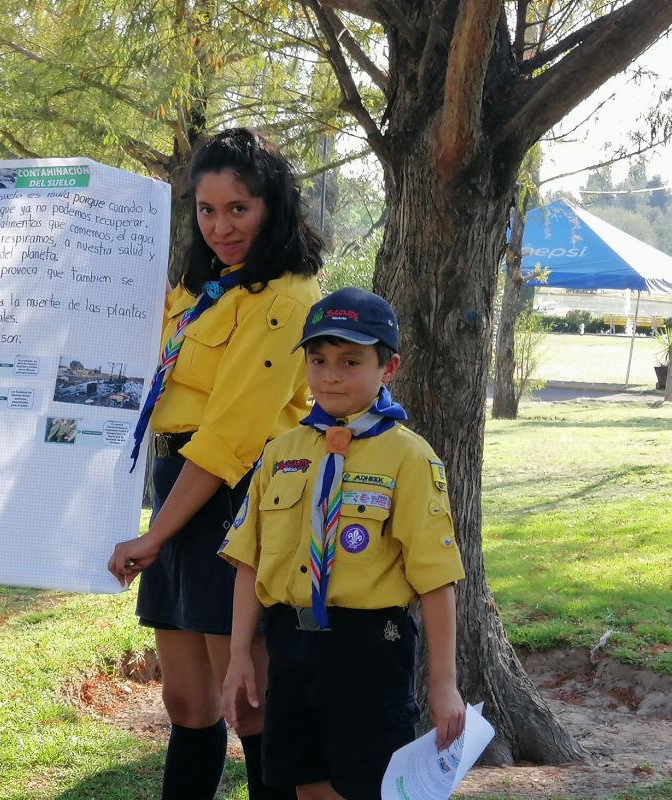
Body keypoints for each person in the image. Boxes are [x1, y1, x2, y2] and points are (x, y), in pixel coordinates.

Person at [108, 128, 323, 800]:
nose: (220, 226)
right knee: (186, 703)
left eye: (239, 208)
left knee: (247, 700)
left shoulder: (286, 297)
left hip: (236, 499)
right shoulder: (201, 288)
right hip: (176, 488)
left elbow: (230, 437)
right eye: (206, 210)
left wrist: (154, 534)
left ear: (273, 208)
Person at [219, 287, 467, 800]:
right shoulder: (281, 452)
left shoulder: (409, 458)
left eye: (350, 361)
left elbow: (437, 579)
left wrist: (443, 684)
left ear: (389, 367)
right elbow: (248, 560)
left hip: (368, 651)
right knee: (306, 784)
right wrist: (240, 654)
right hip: (291, 645)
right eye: (318, 359)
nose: (330, 374)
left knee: (368, 786)